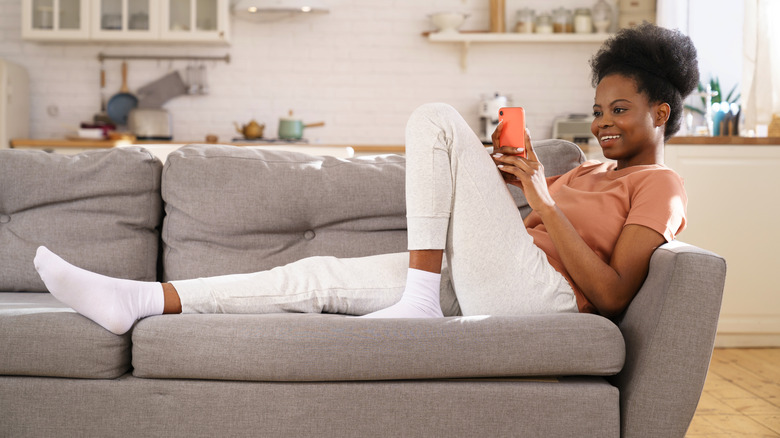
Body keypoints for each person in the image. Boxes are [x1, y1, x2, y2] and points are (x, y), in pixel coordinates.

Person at [34, 23, 698, 335]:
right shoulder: (590, 169)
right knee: (313, 275)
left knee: (438, 118)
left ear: (659, 111)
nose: (603, 122)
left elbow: (611, 295)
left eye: (620, 110)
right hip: (484, 276)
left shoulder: (660, 187)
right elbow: (522, 234)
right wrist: (513, 194)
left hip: (547, 298)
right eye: (598, 109)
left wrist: (541, 198)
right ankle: (140, 301)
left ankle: (417, 300)